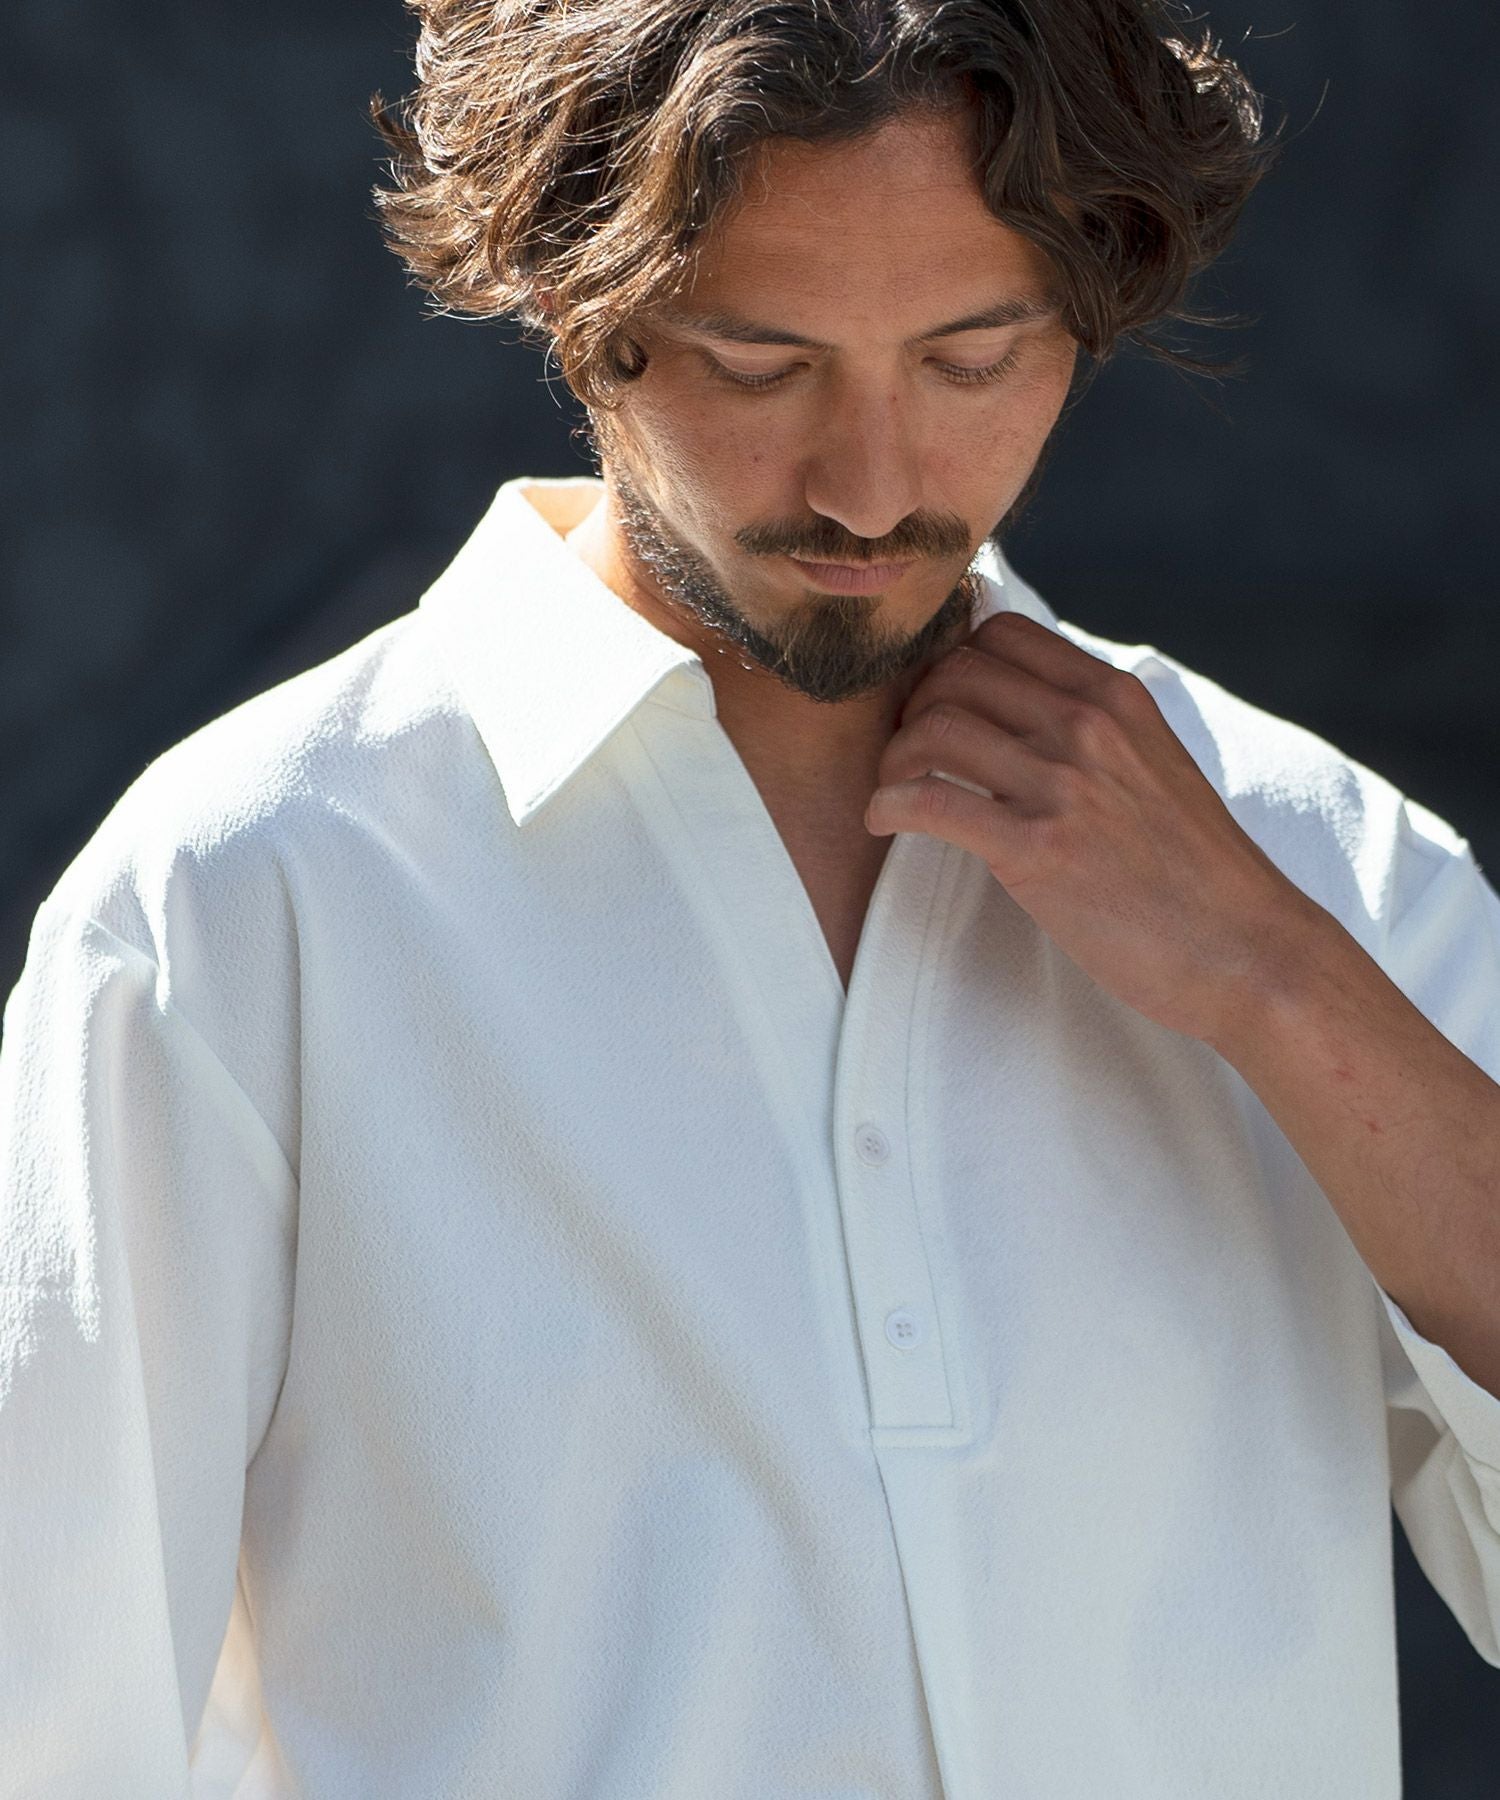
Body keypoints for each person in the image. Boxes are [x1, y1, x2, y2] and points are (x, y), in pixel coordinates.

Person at [3, 1, 1498, 1793]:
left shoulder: (1321, 860)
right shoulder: (246, 905)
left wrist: (1278, 982)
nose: (872, 487)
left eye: (970, 360)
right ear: (572, 300)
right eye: (762, 363)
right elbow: (51, 1720)